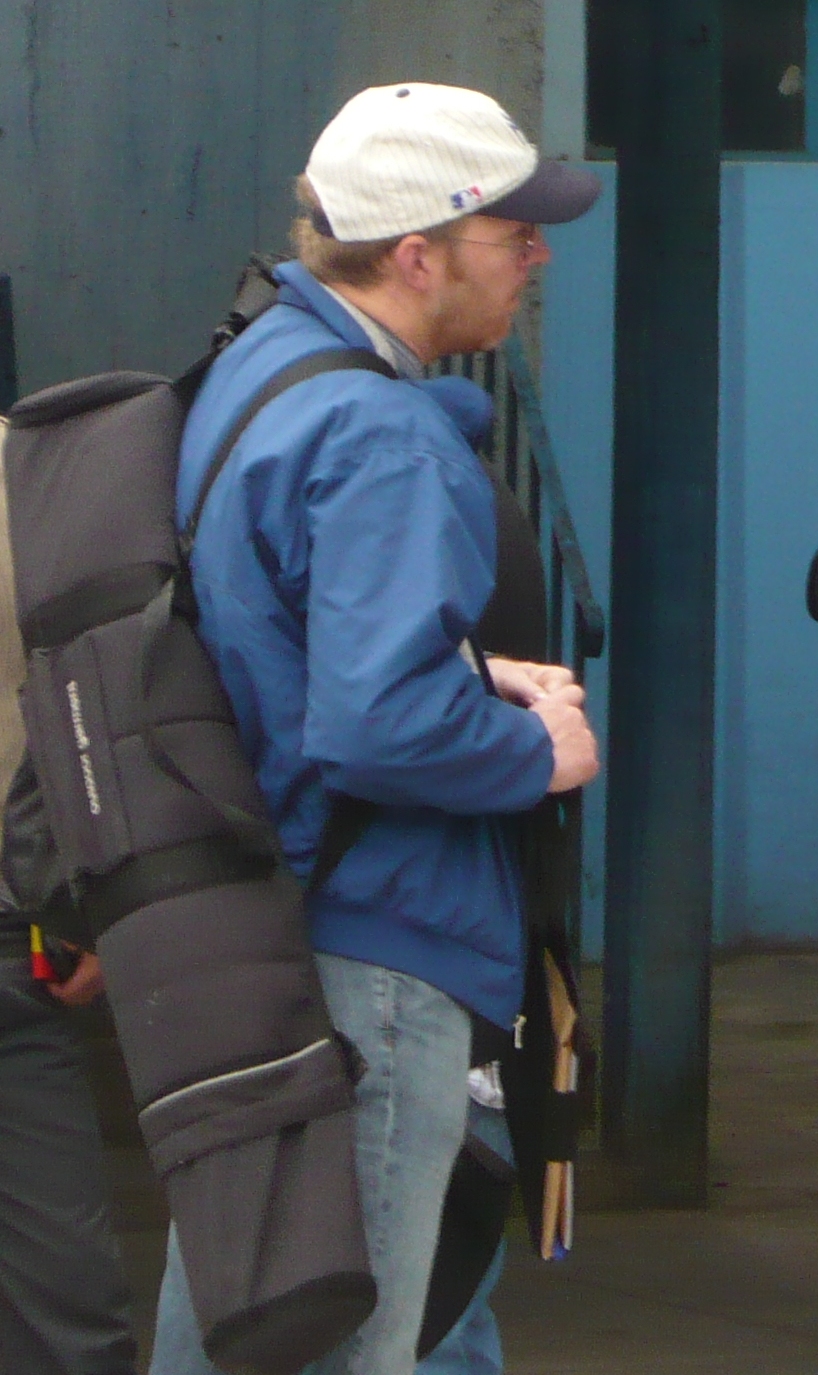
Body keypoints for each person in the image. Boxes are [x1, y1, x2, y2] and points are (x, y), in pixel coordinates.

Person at [148, 82, 601, 1375]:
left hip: (274, 920)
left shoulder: (261, 373)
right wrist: (536, 750)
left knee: (239, 1325)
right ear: (418, 254)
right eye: (513, 232)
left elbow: (285, 642)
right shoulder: (380, 432)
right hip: (379, 953)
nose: (538, 253)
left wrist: (474, 670)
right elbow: (378, 721)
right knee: (352, 1343)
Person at [0, 420, 138, 1375]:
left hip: (18, 942)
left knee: (70, 1303)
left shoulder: (31, 469)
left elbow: (93, 687)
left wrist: (90, 896)